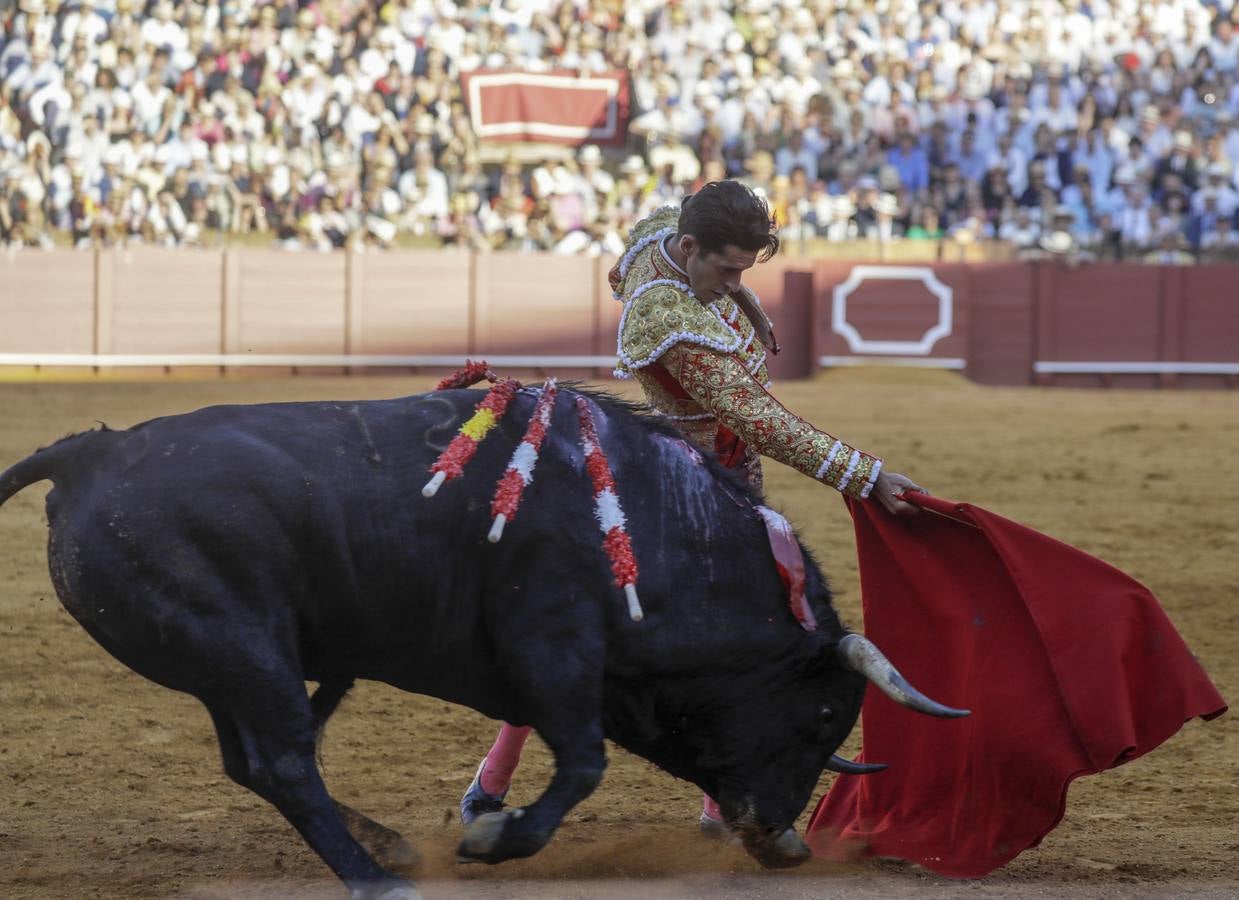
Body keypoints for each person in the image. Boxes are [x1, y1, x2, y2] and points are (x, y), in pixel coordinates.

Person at [460, 180, 925, 836]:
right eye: (726, 267)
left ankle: (508, 785)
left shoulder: (661, 233)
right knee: (657, 635)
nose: (733, 279)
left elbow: (627, 264)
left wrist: (734, 291)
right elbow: (761, 421)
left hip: (695, 473)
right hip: (687, 495)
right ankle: (512, 781)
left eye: (743, 267)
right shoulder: (669, 319)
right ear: (689, 246)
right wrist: (866, 476)